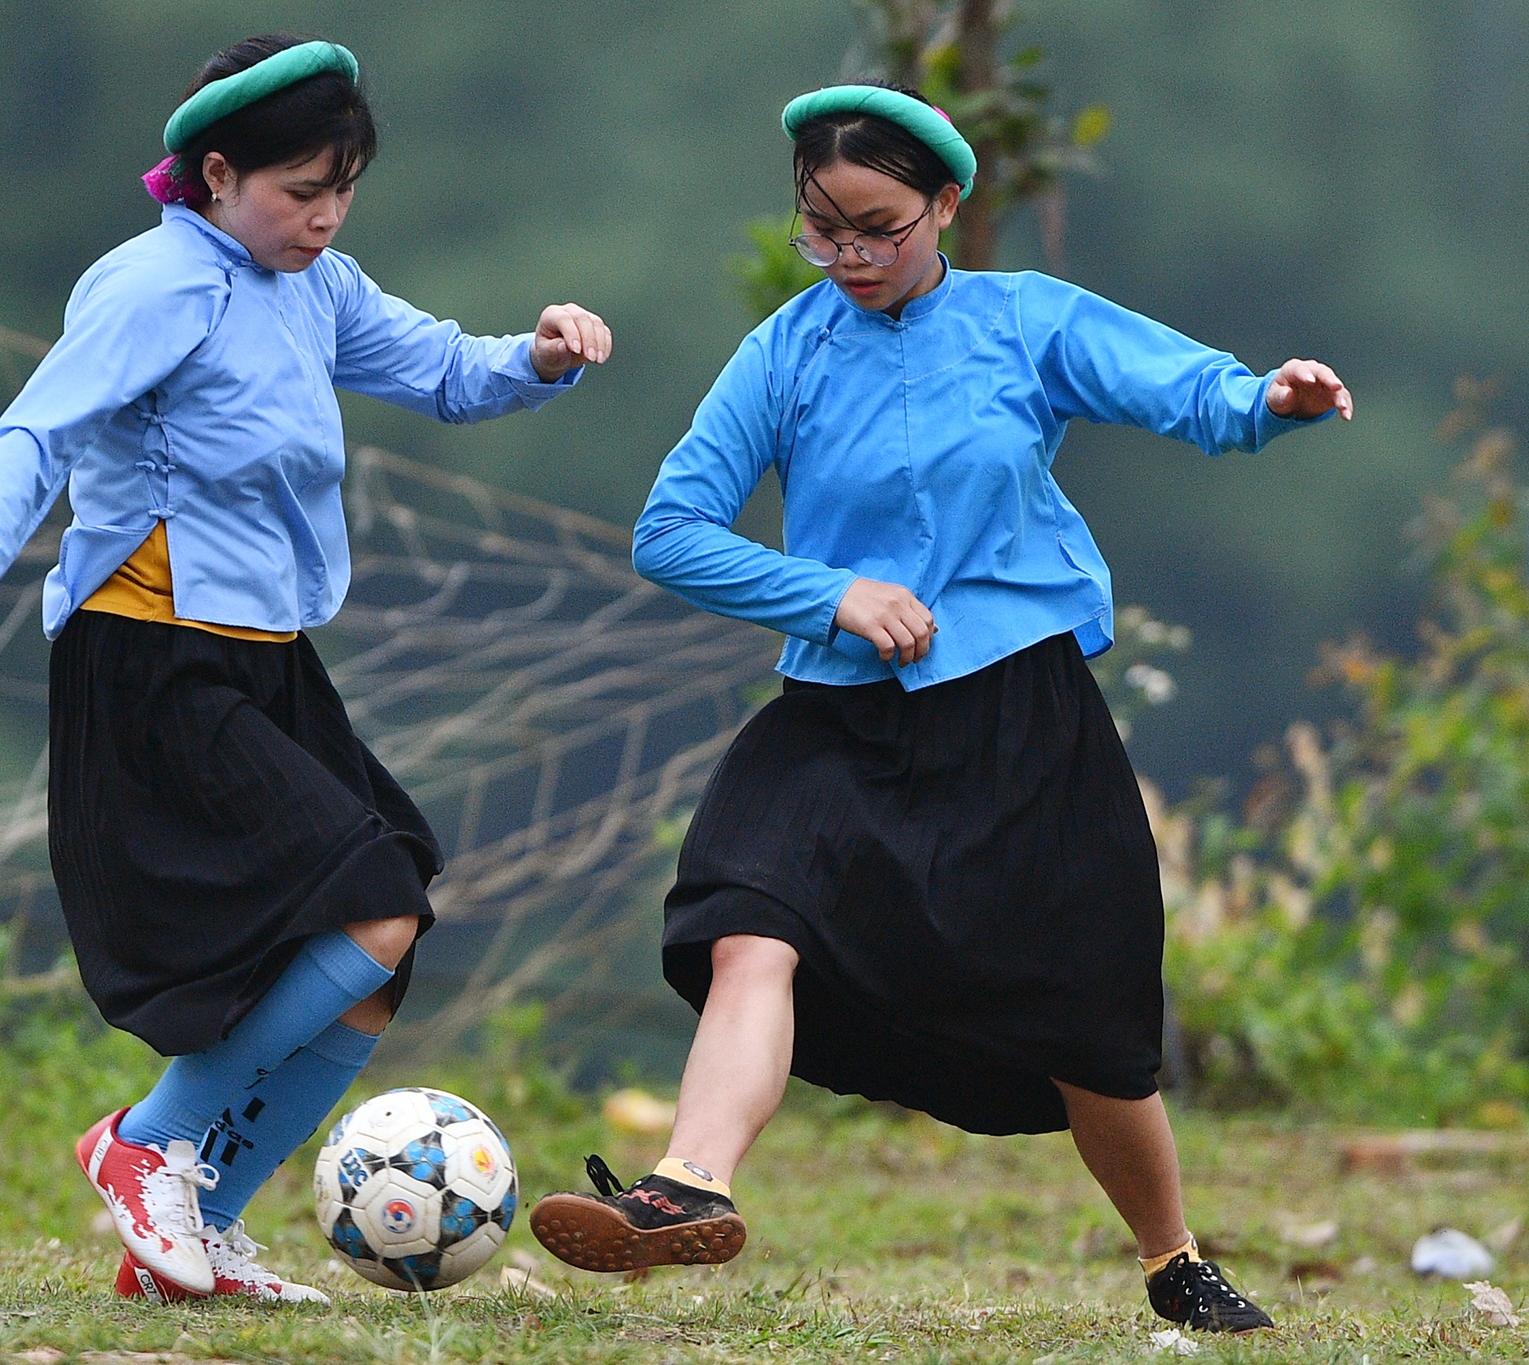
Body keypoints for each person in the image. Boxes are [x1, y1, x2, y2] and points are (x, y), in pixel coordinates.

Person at [529, 80, 1348, 1334]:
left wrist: (1268, 400)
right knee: (748, 920)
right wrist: (830, 594)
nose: (849, 255)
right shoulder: (786, 350)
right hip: (838, 715)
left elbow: (1182, 389)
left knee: (1092, 1026)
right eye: (822, 229)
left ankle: (1170, 1258)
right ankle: (682, 1189)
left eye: (877, 225)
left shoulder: (1023, 322)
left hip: (1019, 717)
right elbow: (669, 533)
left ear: (944, 207)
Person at [0, 33, 610, 1305]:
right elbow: (37, 429)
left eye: (341, 190)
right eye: (297, 191)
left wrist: (535, 359)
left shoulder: (316, 284)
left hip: (265, 661)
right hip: (152, 656)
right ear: (215, 173)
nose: (322, 217)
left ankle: (193, 1241)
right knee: (371, 899)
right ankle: (145, 1141)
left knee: (377, 966)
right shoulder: (154, 284)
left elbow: (438, 366)